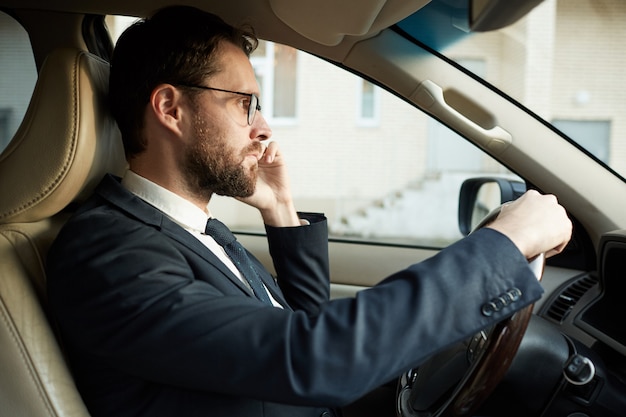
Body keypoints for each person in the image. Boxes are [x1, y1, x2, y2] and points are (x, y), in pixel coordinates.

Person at [46, 5, 572, 417]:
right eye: (243, 103)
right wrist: (502, 246)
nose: (264, 128)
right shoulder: (109, 253)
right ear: (170, 108)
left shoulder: (195, 230)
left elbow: (294, 325)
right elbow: (308, 358)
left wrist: (281, 210)